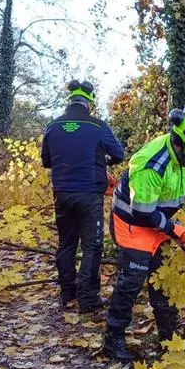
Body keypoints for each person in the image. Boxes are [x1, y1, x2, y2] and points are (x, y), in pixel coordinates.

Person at [103, 106, 185, 362]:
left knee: (163, 279)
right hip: (132, 223)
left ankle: (169, 339)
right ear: (178, 140)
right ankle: (112, 338)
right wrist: (179, 232)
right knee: (132, 281)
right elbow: (143, 213)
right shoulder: (152, 164)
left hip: (160, 222)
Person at [41, 80, 125, 312]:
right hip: (89, 195)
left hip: (62, 194)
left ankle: (67, 293)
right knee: (92, 246)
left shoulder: (53, 126)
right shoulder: (98, 127)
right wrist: (103, 161)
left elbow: (46, 161)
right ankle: (88, 299)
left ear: (70, 101)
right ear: (89, 103)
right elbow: (119, 153)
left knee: (66, 243)